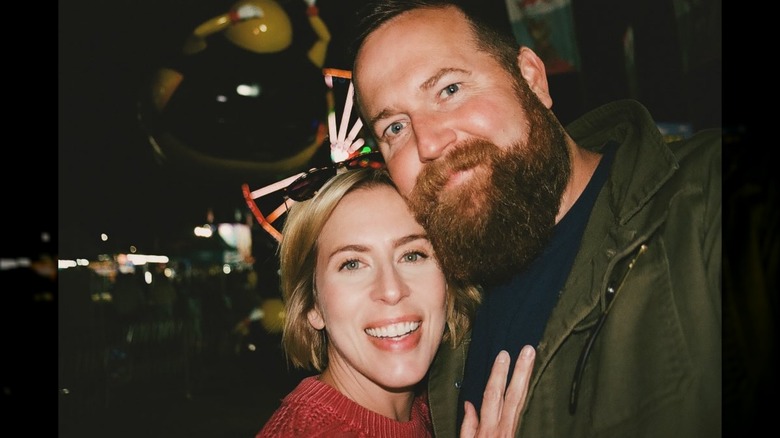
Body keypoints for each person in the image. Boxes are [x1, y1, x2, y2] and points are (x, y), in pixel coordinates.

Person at [349, 1, 722, 437]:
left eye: (449, 90)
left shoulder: (707, 194)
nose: (428, 143)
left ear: (531, 78)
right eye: (395, 127)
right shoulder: (431, 313)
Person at [256, 167, 536, 437]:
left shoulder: (442, 409)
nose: (391, 290)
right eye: (352, 264)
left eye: (412, 255)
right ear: (311, 305)